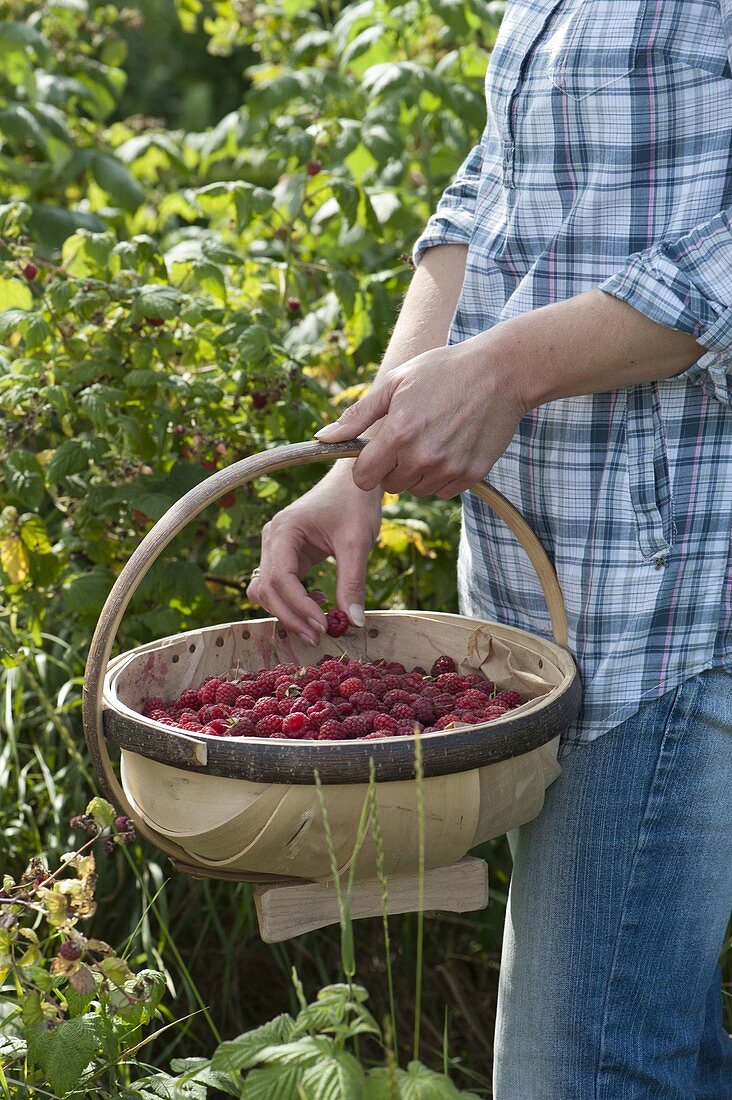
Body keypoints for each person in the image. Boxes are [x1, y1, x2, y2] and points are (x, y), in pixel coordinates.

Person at [247, 1, 732, 1095]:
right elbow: (495, 189)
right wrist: (361, 452)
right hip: (533, 611)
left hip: (671, 602)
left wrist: (510, 369)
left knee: (581, 1070)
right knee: (647, 1038)